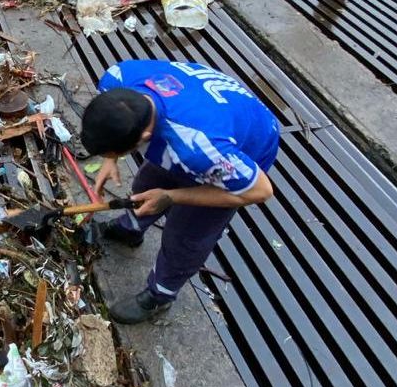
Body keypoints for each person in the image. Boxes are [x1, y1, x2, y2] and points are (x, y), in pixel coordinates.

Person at [80, 60, 280, 324]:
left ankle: (161, 294)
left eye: (118, 152)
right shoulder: (117, 78)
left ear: (145, 134)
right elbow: (112, 118)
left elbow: (261, 191)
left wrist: (173, 197)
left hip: (247, 143)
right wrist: (111, 158)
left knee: (187, 233)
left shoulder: (199, 149)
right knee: (148, 183)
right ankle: (130, 228)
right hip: (207, 107)